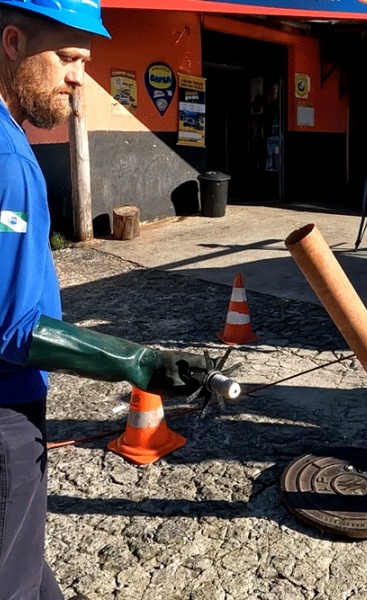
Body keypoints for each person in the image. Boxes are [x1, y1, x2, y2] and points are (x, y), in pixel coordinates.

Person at [0, 2, 208, 598]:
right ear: (13, 41)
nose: (77, 77)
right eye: (67, 58)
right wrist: (138, 363)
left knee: (28, 569)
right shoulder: (10, 160)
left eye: (85, 62)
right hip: (6, 413)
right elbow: (12, 328)